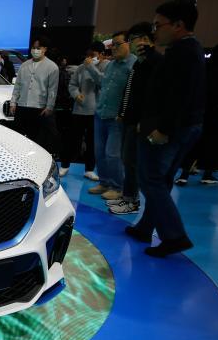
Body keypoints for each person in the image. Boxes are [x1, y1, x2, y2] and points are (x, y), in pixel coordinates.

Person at [127, 0, 206, 258]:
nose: (155, 31)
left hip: (169, 129)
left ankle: (174, 236)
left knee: (150, 179)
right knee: (160, 180)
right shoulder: (187, 50)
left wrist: (164, 129)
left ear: (178, 25)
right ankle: (146, 227)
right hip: (184, 126)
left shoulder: (183, 53)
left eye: (158, 25)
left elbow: (177, 96)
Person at [110, 22, 163, 216]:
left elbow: (154, 96)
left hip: (141, 123)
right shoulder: (139, 63)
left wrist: (146, 121)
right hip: (130, 119)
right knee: (128, 160)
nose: (131, 44)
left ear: (145, 39)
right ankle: (127, 196)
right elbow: (130, 92)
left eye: (132, 40)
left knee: (133, 162)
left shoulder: (154, 62)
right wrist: (123, 112)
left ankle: (132, 201)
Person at [176, 42, 218, 185]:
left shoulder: (203, 69)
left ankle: (184, 174)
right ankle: (207, 174)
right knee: (214, 144)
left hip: (198, 112)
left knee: (192, 143)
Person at [88, 31, 136, 201]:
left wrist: (125, 114)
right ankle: (105, 182)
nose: (114, 48)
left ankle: (117, 186)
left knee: (113, 154)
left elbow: (133, 94)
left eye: (117, 44)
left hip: (117, 118)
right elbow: (102, 82)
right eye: (112, 45)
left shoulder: (134, 65)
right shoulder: (111, 65)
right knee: (99, 152)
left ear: (128, 44)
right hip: (101, 113)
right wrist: (91, 68)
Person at [9, 37, 59, 150]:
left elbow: (52, 89)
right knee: (18, 139)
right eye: (33, 47)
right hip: (22, 106)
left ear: (45, 49)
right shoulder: (24, 65)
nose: (35, 50)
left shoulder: (52, 67)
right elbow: (17, 86)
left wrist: (49, 106)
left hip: (39, 108)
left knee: (37, 141)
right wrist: (13, 102)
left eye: (38, 48)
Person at [65, 43, 102, 179]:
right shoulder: (81, 68)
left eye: (93, 55)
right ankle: (65, 166)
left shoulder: (105, 66)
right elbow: (72, 84)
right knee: (72, 139)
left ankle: (89, 169)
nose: (89, 58)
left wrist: (91, 67)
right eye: (88, 55)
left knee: (92, 141)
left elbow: (101, 81)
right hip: (79, 109)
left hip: (96, 111)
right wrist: (76, 94)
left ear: (101, 55)